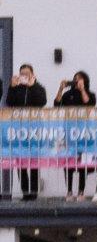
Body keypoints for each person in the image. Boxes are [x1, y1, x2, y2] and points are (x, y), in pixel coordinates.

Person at [5, 65, 47, 198]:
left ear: (32, 74)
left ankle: (33, 192)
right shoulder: (16, 88)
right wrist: (12, 87)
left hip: (34, 130)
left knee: (34, 162)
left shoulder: (39, 88)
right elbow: (9, 103)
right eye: (22, 73)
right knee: (20, 163)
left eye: (27, 73)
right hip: (18, 130)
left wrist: (32, 86)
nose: (24, 76)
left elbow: (41, 102)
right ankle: (25, 191)